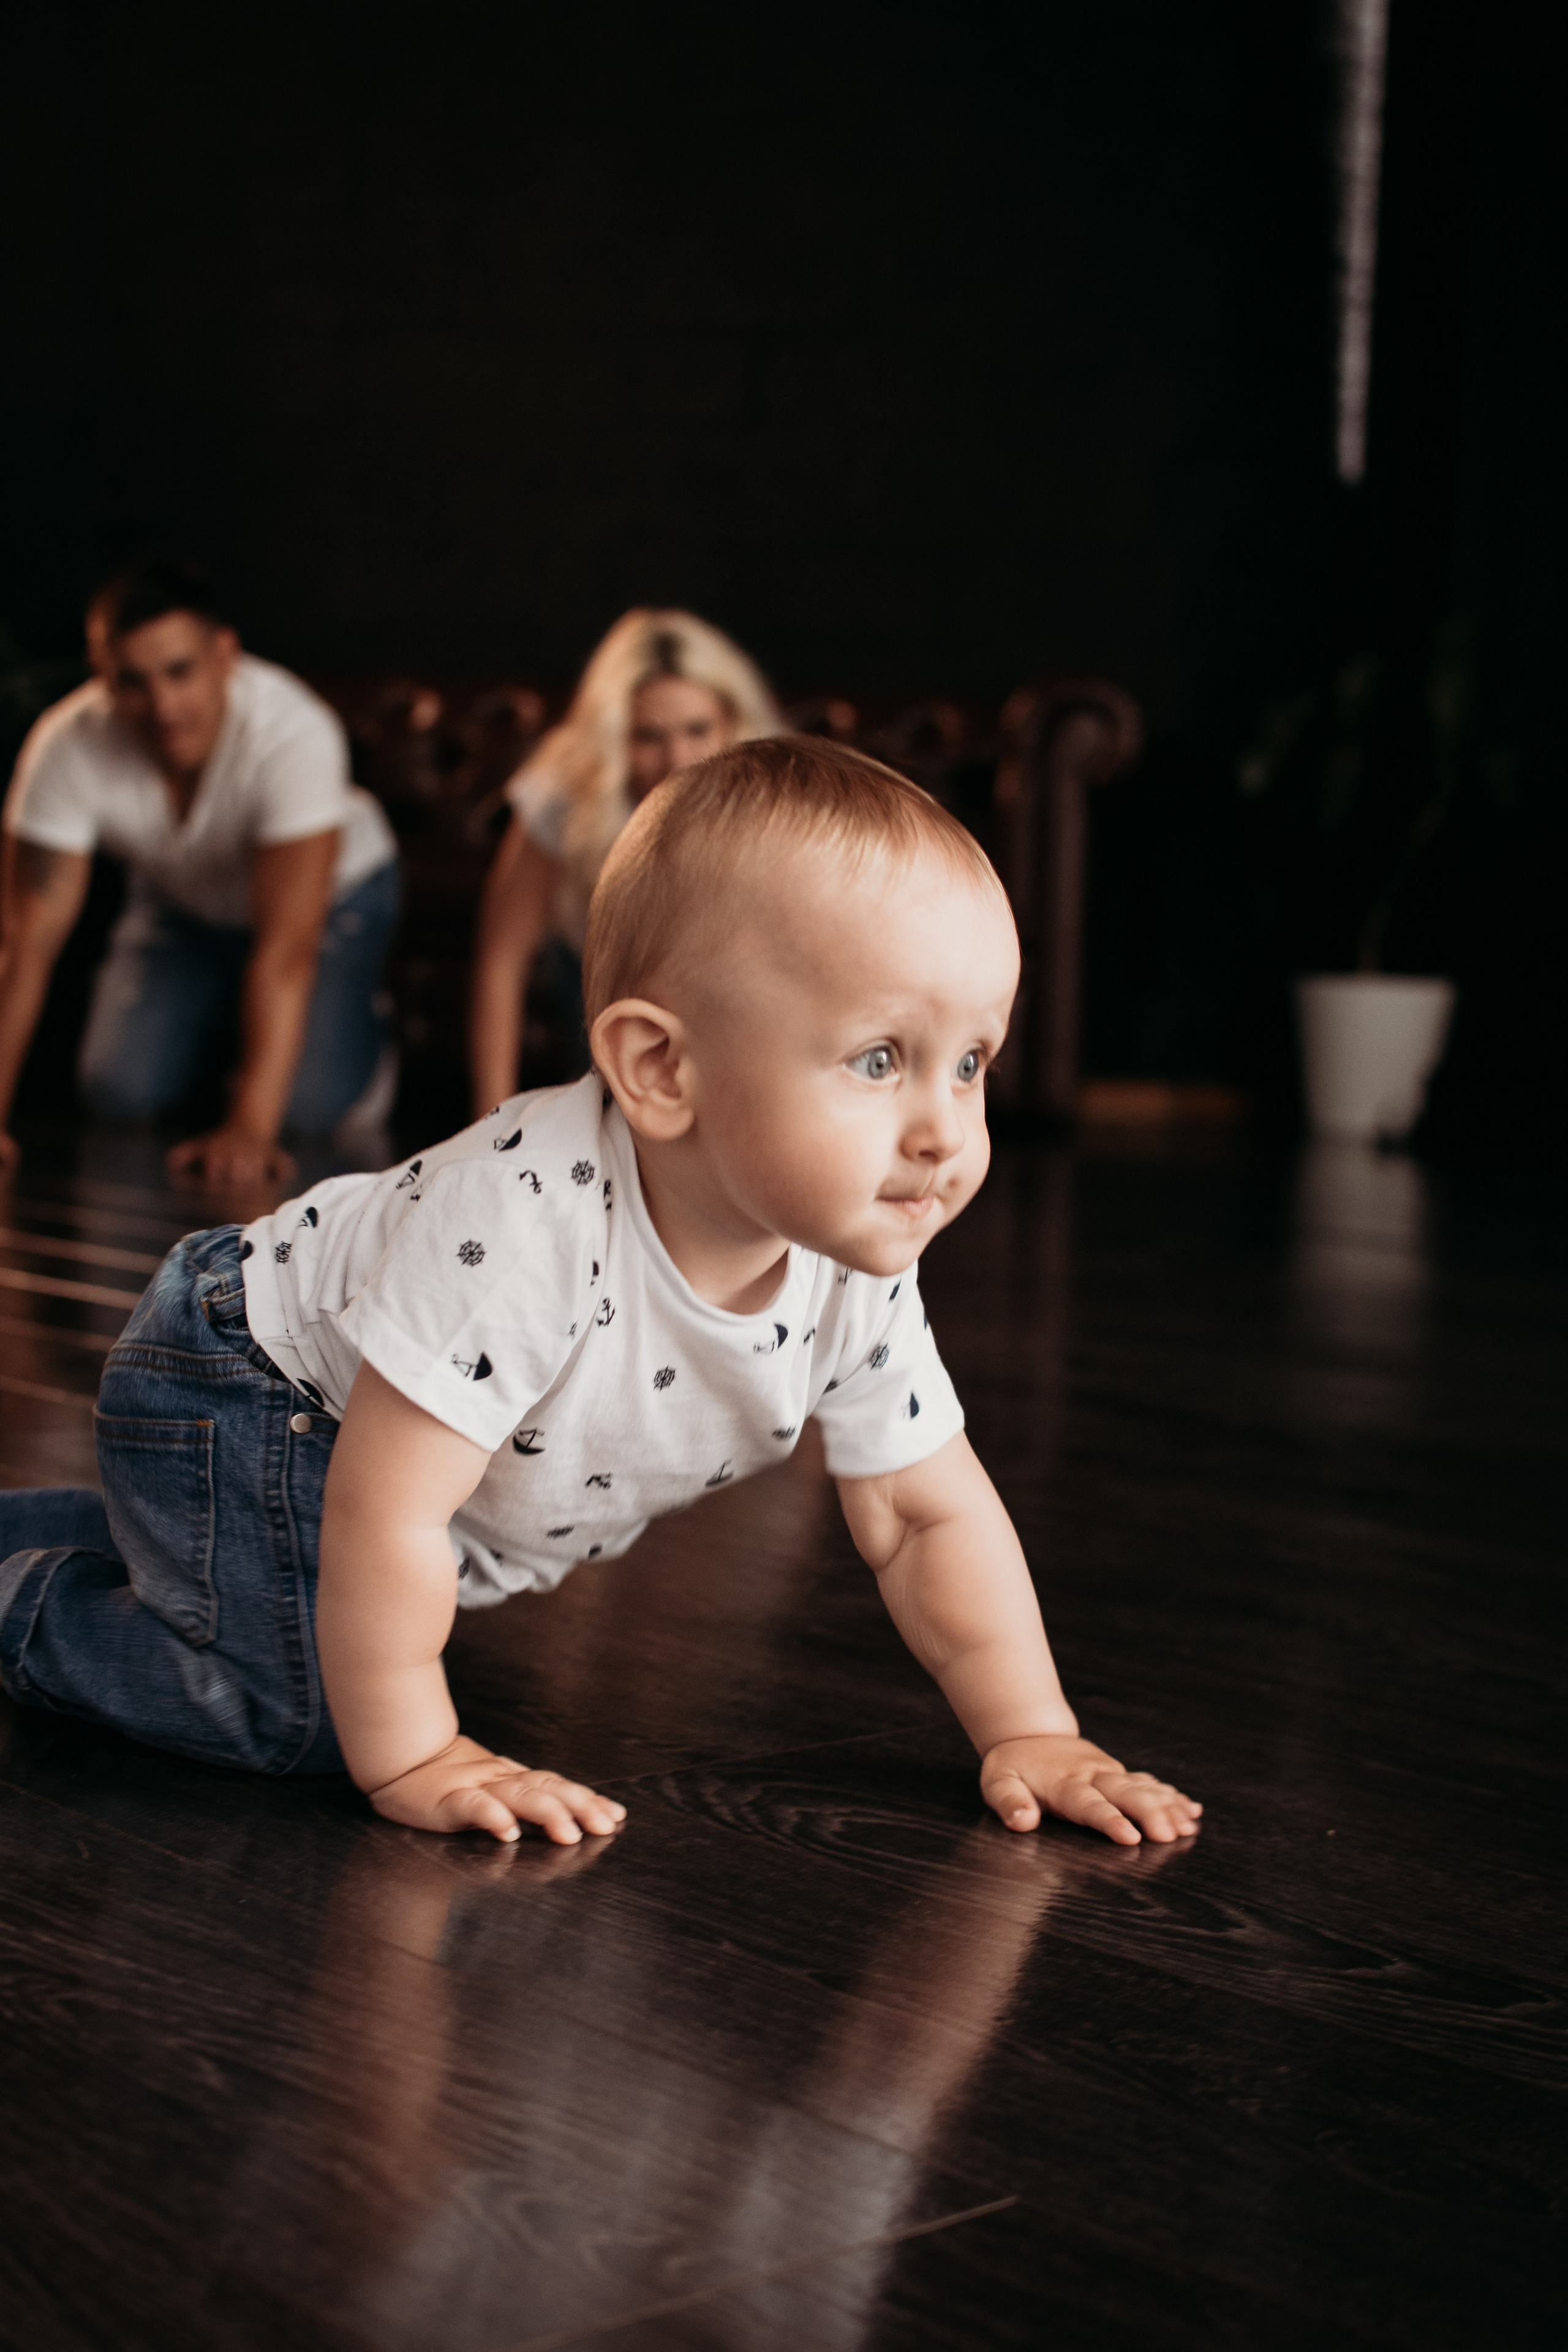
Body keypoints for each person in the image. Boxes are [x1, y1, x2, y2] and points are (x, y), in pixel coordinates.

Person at [0, 737, 1201, 1853]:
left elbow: (924, 1514)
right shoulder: (528, 1227)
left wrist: (1030, 1728)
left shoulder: (850, 1261)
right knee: (295, 1712)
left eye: (970, 1061)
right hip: (250, 1386)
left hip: (344, 1461)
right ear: (661, 1068)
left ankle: (140, 1539)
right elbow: (387, 1508)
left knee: (254, 1572)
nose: (943, 1128)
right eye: (880, 1059)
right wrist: (418, 1753)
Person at [0, 558, 400, 1183]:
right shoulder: (65, 745)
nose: (162, 706)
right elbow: (24, 946)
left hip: (332, 901)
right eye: (132, 681)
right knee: (118, 1091)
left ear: (224, 654)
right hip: (181, 904)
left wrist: (250, 1129)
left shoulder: (295, 732)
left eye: (179, 671)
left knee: (309, 1113)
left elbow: (286, 950)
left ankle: (363, 1031)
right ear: (100, 673)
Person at [469, 607, 780, 1117]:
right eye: (649, 736)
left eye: (698, 729)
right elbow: (502, 965)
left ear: (733, 722)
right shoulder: (563, 796)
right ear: (614, 738)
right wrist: (491, 1125)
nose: (678, 759)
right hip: (604, 1026)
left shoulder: (776, 800)